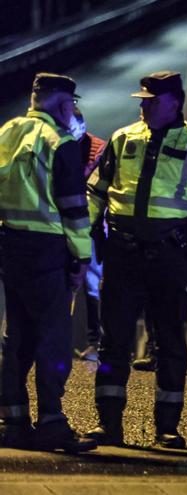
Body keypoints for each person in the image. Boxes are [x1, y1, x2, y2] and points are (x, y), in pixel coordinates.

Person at [85, 71, 187, 448]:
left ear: (174, 103)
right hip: (122, 256)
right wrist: (86, 238)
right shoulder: (123, 138)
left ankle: (167, 428)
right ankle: (108, 425)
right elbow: (96, 193)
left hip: (169, 257)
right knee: (114, 342)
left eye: (151, 100)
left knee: (171, 343)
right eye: (141, 100)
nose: (143, 106)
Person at [0, 73, 96, 452]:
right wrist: (82, 257)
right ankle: (52, 422)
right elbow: (74, 210)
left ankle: (13, 421)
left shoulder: (7, 131)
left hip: (9, 244)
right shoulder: (61, 142)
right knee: (53, 336)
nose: (73, 111)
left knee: (16, 335)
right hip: (46, 250)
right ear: (62, 105)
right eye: (71, 105)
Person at [70, 108, 106, 364]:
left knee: (94, 285)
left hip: (93, 229)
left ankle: (97, 343)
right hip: (65, 226)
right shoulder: (54, 146)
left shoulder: (98, 150)